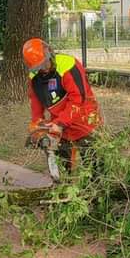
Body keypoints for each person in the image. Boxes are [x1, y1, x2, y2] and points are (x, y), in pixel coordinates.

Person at [22, 38, 102, 172]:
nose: (43, 69)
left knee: (93, 163)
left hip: (85, 119)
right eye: (38, 67)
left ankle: (98, 187)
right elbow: (36, 100)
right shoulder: (34, 76)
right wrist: (37, 122)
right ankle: (64, 185)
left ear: (49, 53)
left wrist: (60, 123)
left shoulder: (68, 66)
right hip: (60, 123)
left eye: (44, 64)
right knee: (63, 165)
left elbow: (78, 99)